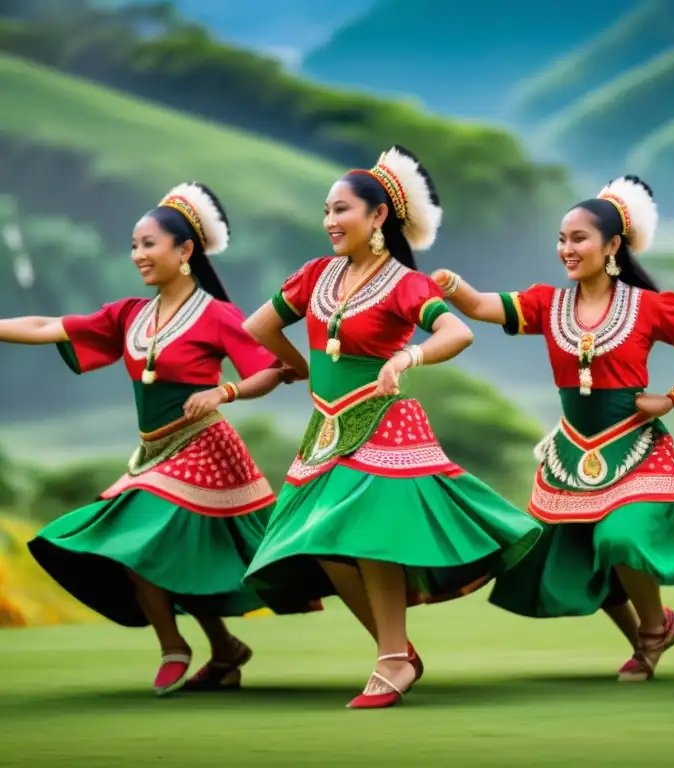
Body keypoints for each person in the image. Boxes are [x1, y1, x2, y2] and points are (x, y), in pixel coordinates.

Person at [241, 145, 543, 709]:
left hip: (384, 423)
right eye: (326, 210)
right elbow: (257, 324)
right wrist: (301, 367)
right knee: (322, 544)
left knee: (367, 536)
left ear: (378, 217)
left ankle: (391, 660)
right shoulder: (315, 275)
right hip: (327, 430)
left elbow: (458, 333)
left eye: (342, 210)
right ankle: (398, 650)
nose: (330, 221)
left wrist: (409, 359)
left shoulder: (404, 283)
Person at [1, 182, 312, 696]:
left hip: (206, 448)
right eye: (134, 245)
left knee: (138, 536)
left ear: (184, 250)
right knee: (169, 551)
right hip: (154, 454)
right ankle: (225, 650)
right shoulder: (129, 315)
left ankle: (174, 647)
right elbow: (46, 325)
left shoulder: (217, 314)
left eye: (149, 244)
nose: (138, 255)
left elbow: (272, 370)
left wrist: (224, 391)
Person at [431, 175, 674, 682]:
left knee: (619, 538)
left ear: (612, 245)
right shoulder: (545, 304)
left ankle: (651, 630)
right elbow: (479, 307)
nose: (566, 249)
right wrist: (451, 286)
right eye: (561, 239)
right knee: (580, 555)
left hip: (637, 447)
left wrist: (673, 397)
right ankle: (652, 633)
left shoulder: (649, 307)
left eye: (578, 239)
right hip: (573, 454)